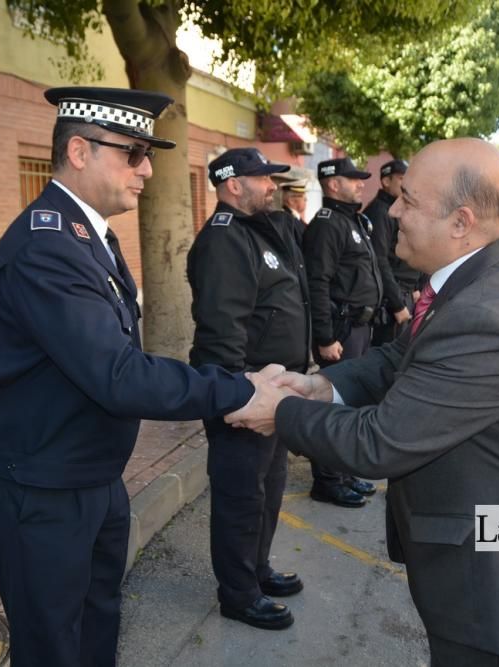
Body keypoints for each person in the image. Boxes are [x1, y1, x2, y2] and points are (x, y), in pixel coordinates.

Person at [228, 138, 499, 666]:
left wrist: (279, 411)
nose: (393, 211)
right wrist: (323, 386)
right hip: (484, 568)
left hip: (495, 594)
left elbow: (379, 442)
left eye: (409, 202)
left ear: (461, 222)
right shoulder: (482, 280)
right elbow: (403, 358)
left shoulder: (488, 316)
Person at [0, 87, 261, 666]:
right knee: (55, 646)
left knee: (97, 627)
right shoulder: (46, 246)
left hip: (90, 478)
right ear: (79, 151)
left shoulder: (85, 235)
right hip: (42, 489)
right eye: (133, 153)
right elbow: (118, 375)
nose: (147, 169)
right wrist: (241, 391)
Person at [186, 147, 310, 630]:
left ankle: (256, 570)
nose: (271, 186)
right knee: (240, 496)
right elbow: (222, 330)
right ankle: (238, 594)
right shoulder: (224, 240)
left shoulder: (260, 230)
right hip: (246, 392)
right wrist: (236, 397)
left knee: (269, 486)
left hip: (273, 390)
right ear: (233, 184)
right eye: (262, 179)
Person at [302, 156, 383, 508]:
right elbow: (316, 283)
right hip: (341, 329)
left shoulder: (351, 221)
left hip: (360, 327)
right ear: (333, 183)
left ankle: (344, 471)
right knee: (333, 404)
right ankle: (328, 479)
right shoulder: (327, 224)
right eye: (353, 179)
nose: (360, 184)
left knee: (350, 404)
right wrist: (324, 336)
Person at [366, 159, 419, 345]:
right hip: (392, 301)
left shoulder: (396, 208)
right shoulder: (380, 212)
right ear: (386, 181)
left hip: (405, 293)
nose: (406, 185)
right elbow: (379, 260)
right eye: (401, 179)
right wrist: (397, 304)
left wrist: (417, 287)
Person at [280, 179, 308, 248]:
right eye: (301, 196)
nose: (306, 199)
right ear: (291, 200)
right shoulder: (285, 220)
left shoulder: (295, 218)